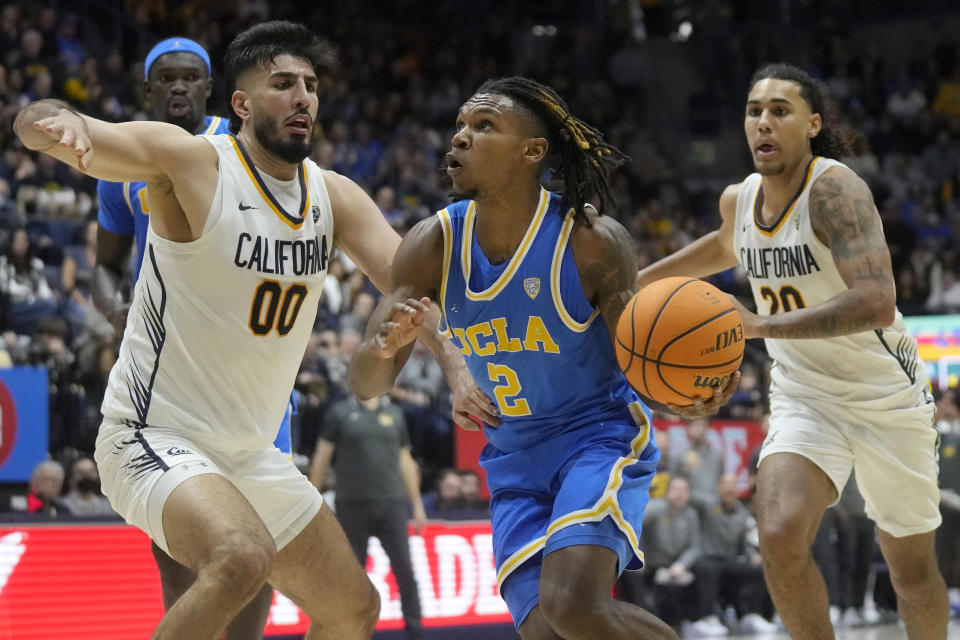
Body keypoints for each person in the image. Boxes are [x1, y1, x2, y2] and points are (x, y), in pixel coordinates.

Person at [14, 21, 494, 640]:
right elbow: (39, 122)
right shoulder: (191, 162)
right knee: (241, 559)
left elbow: (413, 289)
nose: (303, 97)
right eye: (283, 84)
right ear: (240, 103)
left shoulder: (335, 196)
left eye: (311, 85)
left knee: (354, 609)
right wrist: (58, 123)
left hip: (249, 452)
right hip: (152, 434)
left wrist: (455, 366)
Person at [349, 76, 736, 640]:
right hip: (511, 458)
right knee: (545, 629)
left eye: (484, 127)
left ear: (533, 152)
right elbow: (366, 385)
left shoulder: (591, 242)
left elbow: (641, 366)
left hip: (595, 437)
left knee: (573, 604)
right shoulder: (431, 243)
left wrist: (689, 399)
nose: (459, 137)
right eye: (460, 125)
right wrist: (382, 345)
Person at [636, 62, 948, 639]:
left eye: (780, 111)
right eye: (755, 111)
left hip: (885, 394)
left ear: (812, 124)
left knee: (910, 571)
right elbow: (725, 246)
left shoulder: (835, 190)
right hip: (806, 396)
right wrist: (638, 283)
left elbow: (877, 301)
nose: (764, 122)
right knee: (778, 535)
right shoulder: (741, 198)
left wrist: (759, 325)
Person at [91, 37, 279, 640]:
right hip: (167, 372)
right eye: (166, 78)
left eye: (190, 77)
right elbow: (105, 263)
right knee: (177, 544)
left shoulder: (247, 146)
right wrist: (118, 313)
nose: (178, 86)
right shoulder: (125, 165)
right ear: (149, 90)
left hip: (249, 364)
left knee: (257, 539)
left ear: (210, 88)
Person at [309, 393, 426, 640]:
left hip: (392, 504)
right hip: (351, 505)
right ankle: (348, 633)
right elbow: (322, 456)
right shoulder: (339, 412)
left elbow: (406, 459)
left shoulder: (395, 413)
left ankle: (416, 632)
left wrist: (417, 504)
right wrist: (310, 501)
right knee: (350, 578)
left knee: (405, 572)